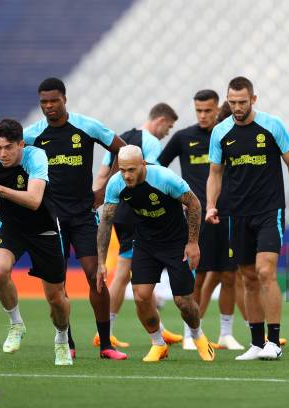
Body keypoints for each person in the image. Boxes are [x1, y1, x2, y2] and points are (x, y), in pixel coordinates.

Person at [23, 77, 126, 360]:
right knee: (57, 283)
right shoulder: (32, 135)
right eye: (43, 102)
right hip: (50, 217)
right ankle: (66, 342)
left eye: (53, 101)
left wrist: (104, 189)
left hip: (83, 215)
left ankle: (105, 344)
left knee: (97, 277)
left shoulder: (86, 126)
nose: (49, 107)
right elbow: (12, 160)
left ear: (64, 99)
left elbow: (123, 150)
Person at [207, 76, 289, 360]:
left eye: (242, 102)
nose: (237, 107)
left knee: (265, 271)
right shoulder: (221, 132)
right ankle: (256, 343)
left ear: (254, 99)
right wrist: (211, 204)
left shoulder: (272, 126)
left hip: (268, 211)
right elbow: (215, 173)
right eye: (232, 102)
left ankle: (274, 342)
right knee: (248, 278)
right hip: (235, 214)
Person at [97, 145, 215, 362]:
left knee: (184, 302)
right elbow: (106, 220)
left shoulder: (165, 178)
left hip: (176, 244)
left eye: (131, 170)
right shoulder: (116, 183)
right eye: (122, 170)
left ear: (143, 165)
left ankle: (198, 336)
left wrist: (193, 243)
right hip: (145, 243)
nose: (126, 175)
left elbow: (194, 204)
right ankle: (158, 344)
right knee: (141, 297)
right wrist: (101, 261)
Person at [0, 119, 74, 365]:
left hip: (44, 230)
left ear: (21, 144)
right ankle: (16, 324)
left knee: (56, 299)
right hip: (11, 226)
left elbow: (34, 200)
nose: (3, 153)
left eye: (9, 147)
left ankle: (61, 339)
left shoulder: (35, 157)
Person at [159, 90, 244, 351]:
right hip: (197, 218)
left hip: (229, 212)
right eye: (199, 110)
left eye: (208, 110)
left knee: (230, 274)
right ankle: (190, 332)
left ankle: (226, 333)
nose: (204, 115)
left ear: (218, 108)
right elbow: (158, 168)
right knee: (199, 275)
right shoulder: (183, 137)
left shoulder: (228, 135)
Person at [92, 102, 182, 349]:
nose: (167, 133)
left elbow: (102, 176)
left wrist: (95, 202)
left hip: (118, 210)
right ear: (160, 121)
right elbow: (152, 177)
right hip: (135, 212)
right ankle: (105, 330)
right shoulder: (150, 142)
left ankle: (160, 330)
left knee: (144, 271)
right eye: (169, 128)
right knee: (123, 271)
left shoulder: (120, 141)